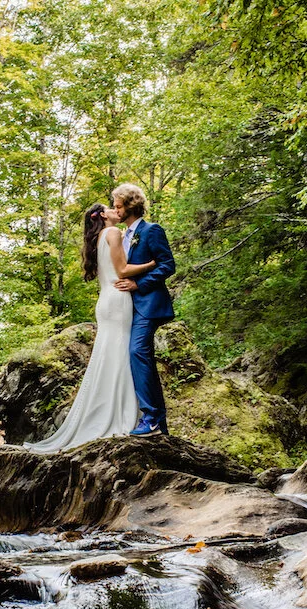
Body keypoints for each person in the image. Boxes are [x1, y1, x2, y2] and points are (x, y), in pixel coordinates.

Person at [24, 203, 158, 453]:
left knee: (109, 356)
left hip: (106, 300)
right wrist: (151, 264)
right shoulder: (114, 233)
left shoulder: (98, 239)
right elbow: (123, 270)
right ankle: (122, 415)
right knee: (120, 356)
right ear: (102, 216)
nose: (116, 210)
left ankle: (111, 412)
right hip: (119, 300)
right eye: (111, 208)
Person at [111, 183, 176, 437]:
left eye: (118, 204)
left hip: (148, 305)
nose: (115, 208)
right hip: (125, 308)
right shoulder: (121, 235)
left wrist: (139, 284)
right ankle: (158, 422)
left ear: (130, 205)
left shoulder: (152, 231)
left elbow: (168, 265)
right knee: (134, 356)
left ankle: (151, 417)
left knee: (138, 351)